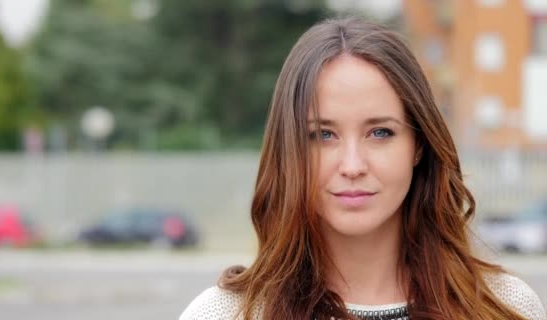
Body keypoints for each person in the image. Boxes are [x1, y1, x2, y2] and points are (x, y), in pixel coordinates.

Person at [180, 17, 547, 320]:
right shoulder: (224, 314)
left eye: (380, 132)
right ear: (288, 149)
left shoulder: (506, 308)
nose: (352, 165)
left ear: (418, 145)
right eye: (323, 134)